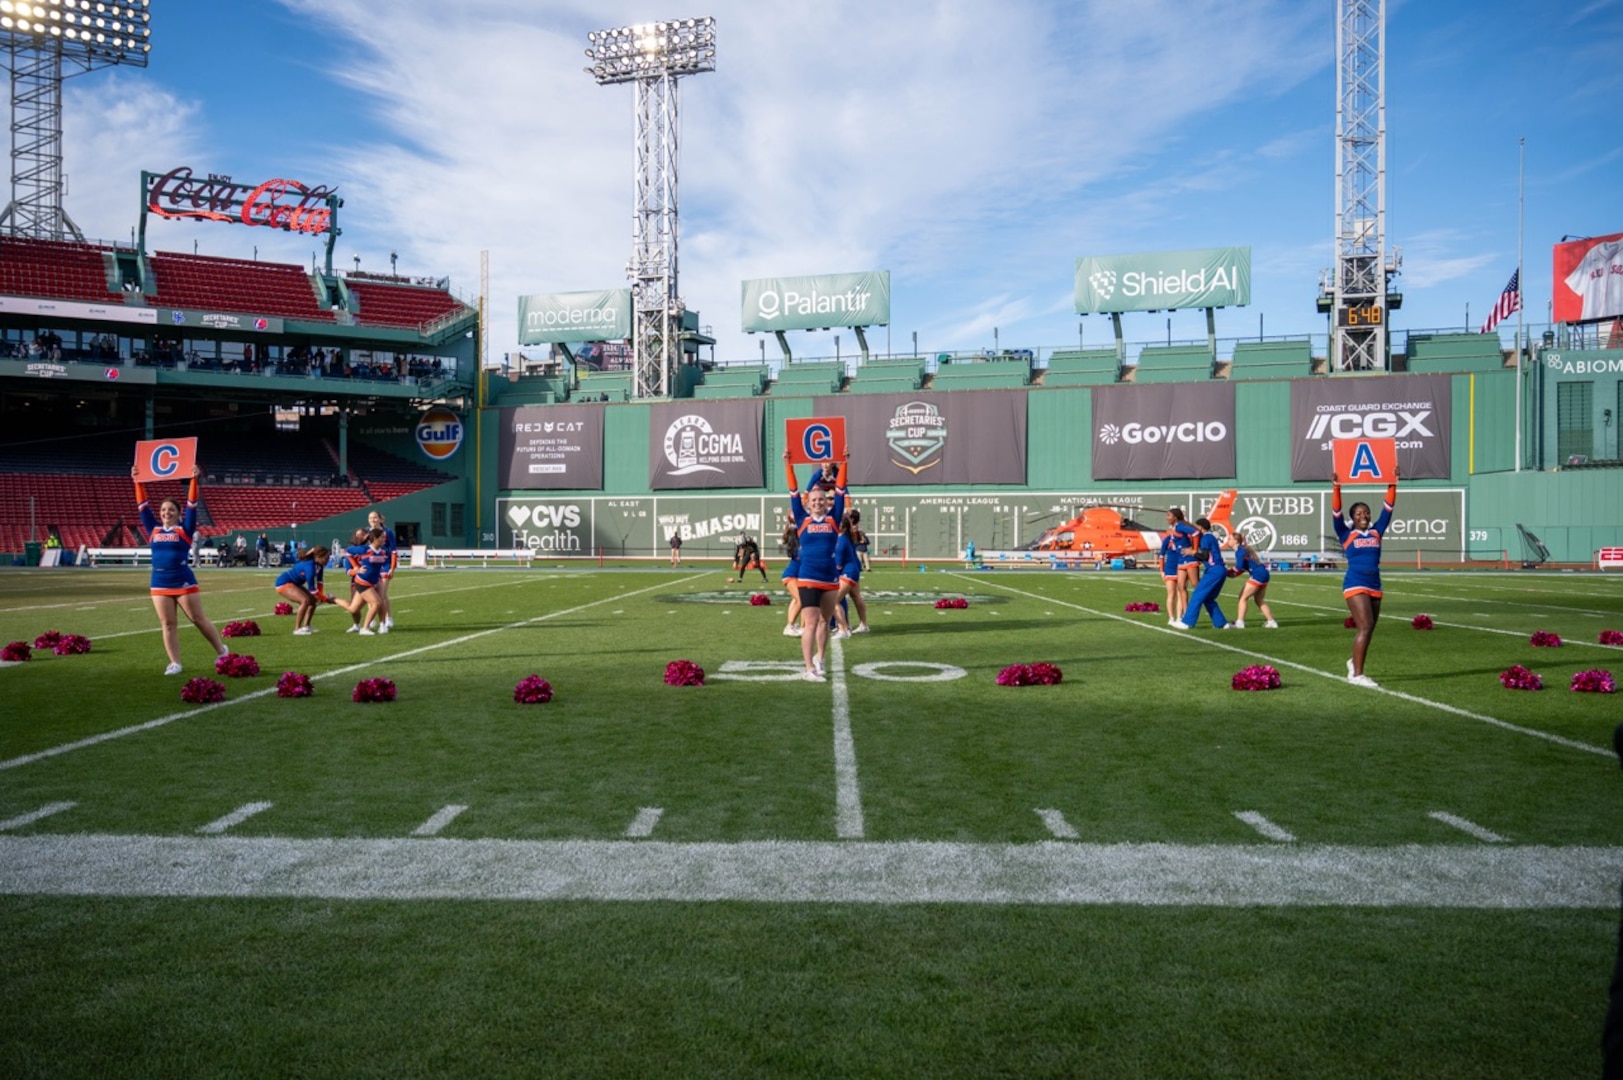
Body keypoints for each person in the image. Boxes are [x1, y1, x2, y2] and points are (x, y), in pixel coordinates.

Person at [133, 463, 228, 675]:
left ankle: (222, 651)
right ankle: (175, 662)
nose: (167, 512)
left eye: (171, 510)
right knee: (168, 624)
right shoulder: (153, 528)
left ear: (178, 513)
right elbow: (142, 505)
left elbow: (192, 504)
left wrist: (194, 480)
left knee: (197, 619)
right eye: (164, 510)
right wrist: (138, 481)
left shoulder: (185, 529)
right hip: (159, 583)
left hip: (183, 581)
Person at [1332, 465, 1398, 687]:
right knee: (1365, 625)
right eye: (1359, 513)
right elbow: (1336, 513)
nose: (1363, 515)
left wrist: (1392, 483)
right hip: (1355, 583)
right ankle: (1357, 675)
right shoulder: (1345, 533)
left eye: (1366, 512)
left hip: (1375, 584)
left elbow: (1388, 508)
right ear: (1353, 517)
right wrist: (1336, 487)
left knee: (1370, 629)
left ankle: (1354, 661)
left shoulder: (1377, 531)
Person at [785, 450, 847, 681]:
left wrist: (844, 462)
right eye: (814, 500)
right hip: (808, 578)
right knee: (810, 623)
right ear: (808, 503)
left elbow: (840, 490)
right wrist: (788, 465)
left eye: (821, 499)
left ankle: (820, 660)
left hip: (830, 578)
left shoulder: (834, 518)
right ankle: (808, 668)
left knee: (825, 621)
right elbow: (792, 491)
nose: (818, 502)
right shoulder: (802, 519)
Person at [1171, 517, 1230, 630]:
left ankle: (1187, 622)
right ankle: (1221, 623)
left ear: (1201, 528)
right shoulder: (1211, 537)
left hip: (1213, 570)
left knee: (1197, 595)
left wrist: (1192, 552)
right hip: (1219, 570)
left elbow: (1205, 556)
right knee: (1208, 599)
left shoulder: (1206, 538)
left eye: (1196, 526)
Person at [340, 529, 390, 634]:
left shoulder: (383, 551)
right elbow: (348, 552)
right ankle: (365, 628)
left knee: (354, 609)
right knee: (377, 603)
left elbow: (386, 562)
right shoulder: (364, 549)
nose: (384, 539)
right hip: (363, 581)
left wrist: (387, 570)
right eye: (382, 537)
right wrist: (356, 568)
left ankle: (382, 625)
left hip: (376, 580)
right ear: (375, 539)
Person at [275, 545, 333, 635]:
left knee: (313, 601)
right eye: (326, 558)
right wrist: (325, 599)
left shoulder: (319, 566)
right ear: (318, 557)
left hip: (295, 584)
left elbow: (320, 581)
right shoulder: (310, 566)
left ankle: (306, 626)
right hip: (283, 583)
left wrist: (321, 596)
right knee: (305, 601)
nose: (328, 560)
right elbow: (312, 589)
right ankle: (297, 629)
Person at [1228, 530, 1279, 629]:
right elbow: (1242, 568)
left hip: (1258, 575)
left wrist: (1227, 573)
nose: (1228, 541)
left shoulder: (1239, 551)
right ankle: (1271, 622)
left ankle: (1240, 623)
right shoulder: (1243, 549)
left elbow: (1239, 567)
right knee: (1258, 599)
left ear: (1236, 541)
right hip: (1263, 573)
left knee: (1242, 598)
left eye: (1230, 539)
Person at [832, 511, 870, 638]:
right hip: (853, 570)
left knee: (833, 600)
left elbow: (838, 564)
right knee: (856, 596)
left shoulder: (841, 540)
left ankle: (843, 628)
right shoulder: (846, 537)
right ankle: (863, 625)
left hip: (848, 572)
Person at [1160, 508, 1196, 626]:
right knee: (1174, 592)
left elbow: (1194, 533)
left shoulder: (1180, 528)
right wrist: (1162, 570)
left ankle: (1183, 617)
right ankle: (1172, 618)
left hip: (1183, 562)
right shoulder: (1169, 537)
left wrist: (1194, 549)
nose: (1166, 517)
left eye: (1168, 515)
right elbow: (1161, 554)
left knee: (1186, 590)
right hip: (1172, 567)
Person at [366, 509, 398, 630]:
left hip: (384, 565)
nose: (372, 520)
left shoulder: (387, 532)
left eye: (374, 518)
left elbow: (394, 550)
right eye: (370, 518)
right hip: (372, 566)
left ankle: (388, 618)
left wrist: (392, 568)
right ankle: (372, 618)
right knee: (370, 593)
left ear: (380, 519)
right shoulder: (366, 532)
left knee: (382, 594)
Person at [779, 522, 802, 637]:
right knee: (801, 600)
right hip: (791, 576)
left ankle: (792, 625)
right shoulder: (799, 548)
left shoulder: (796, 545)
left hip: (793, 576)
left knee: (795, 600)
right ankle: (790, 626)